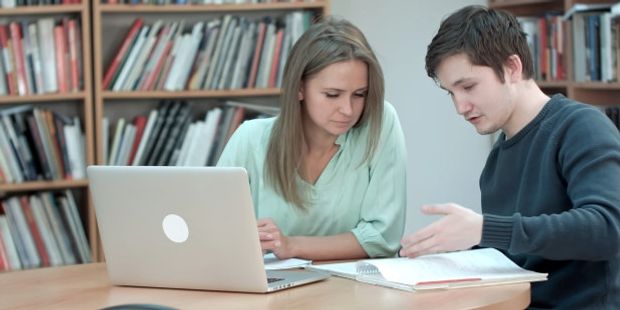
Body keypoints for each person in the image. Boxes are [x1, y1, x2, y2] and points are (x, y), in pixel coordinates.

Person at [399, 5, 620, 308]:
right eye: (451, 93)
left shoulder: (582, 128)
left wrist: (483, 228)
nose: (460, 107)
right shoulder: (497, 158)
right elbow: (514, 256)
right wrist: (445, 255)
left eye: (468, 86)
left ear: (512, 68)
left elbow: (607, 228)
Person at [217, 17, 407, 261]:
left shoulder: (380, 123)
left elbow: (382, 238)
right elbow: (215, 233)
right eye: (332, 95)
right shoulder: (249, 139)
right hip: (269, 290)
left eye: (360, 94)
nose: (348, 109)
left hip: (353, 291)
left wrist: (292, 246)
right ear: (299, 88)